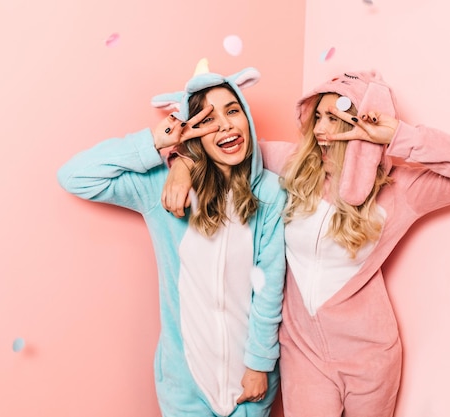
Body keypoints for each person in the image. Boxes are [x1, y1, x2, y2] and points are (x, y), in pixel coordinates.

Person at [164, 70, 450, 417]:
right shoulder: (292, 164)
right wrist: (182, 163)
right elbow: (229, 152)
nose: (321, 131)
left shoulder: (400, 188)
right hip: (303, 354)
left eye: (336, 119)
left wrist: (398, 135)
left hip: (370, 356)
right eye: (318, 117)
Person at [57, 67, 286, 417]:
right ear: (191, 130)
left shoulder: (269, 192)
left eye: (233, 110)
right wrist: (160, 142)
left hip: (250, 384)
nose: (224, 125)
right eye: (208, 118)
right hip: (185, 387)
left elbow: (269, 290)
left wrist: (259, 366)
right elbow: (75, 176)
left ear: (248, 119)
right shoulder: (160, 188)